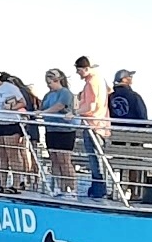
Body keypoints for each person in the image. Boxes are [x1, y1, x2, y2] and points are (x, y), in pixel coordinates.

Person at [71, 56, 111, 199]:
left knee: (94, 159)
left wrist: (75, 112)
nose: (78, 73)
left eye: (79, 70)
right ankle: (99, 187)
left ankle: (98, 188)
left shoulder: (91, 83)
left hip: (93, 125)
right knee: (97, 158)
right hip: (102, 125)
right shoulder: (100, 80)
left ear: (86, 69)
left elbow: (91, 106)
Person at [39, 69, 77, 198]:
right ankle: (59, 187)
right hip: (51, 130)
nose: (49, 85)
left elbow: (60, 106)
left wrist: (44, 113)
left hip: (64, 131)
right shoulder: (48, 95)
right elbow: (42, 107)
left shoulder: (65, 93)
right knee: (54, 159)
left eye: (50, 82)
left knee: (64, 160)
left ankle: (71, 189)